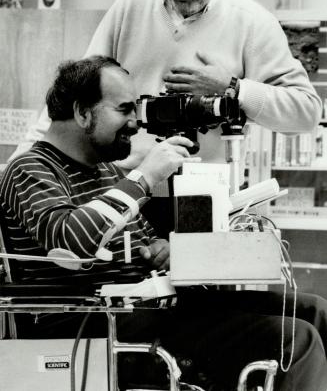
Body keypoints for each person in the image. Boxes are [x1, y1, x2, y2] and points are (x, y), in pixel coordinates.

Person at [1, 56, 327, 391]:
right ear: (83, 113)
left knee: (313, 311)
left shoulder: (105, 171)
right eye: (124, 109)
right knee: (294, 340)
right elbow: (69, 239)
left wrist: (163, 249)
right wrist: (143, 177)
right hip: (98, 327)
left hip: (152, 310)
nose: (135, 122)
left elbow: (145, 242)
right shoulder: (29, 169)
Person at [10, 0, 321, 235]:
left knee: (196, 285)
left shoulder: (252, 22)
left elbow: (306, 111)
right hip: (125, 190)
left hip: (205, 200)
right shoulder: (130, 6)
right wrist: (22, 164)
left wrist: (234, 88)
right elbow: (76, 95)